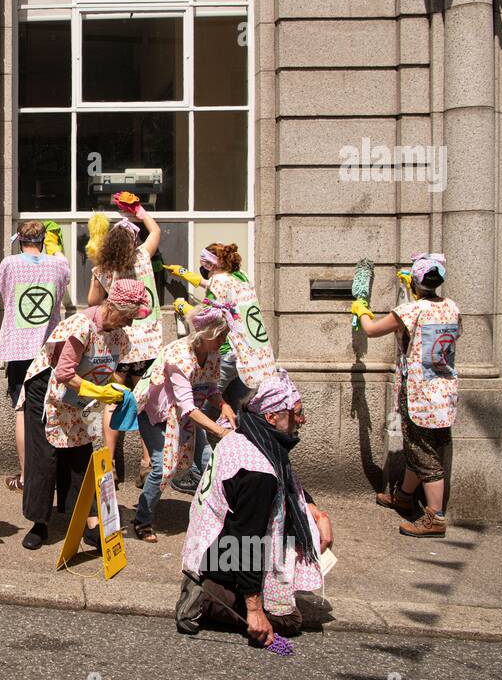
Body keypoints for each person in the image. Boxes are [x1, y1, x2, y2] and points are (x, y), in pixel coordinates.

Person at [175, 370, 334, 645]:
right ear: (272, 417)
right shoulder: (257, 472)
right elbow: (246, 538)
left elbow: (290, 483)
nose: (302, 420)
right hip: (222, 551)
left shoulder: (249, 434)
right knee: (289, 621)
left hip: (215, 540)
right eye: (296, 413)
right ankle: (209, 595)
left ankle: (219, 585)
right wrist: (254, 609)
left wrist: (315, 511)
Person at [19, 279, 152, 550]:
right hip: (48, 390)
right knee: (46, 456)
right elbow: (64, 372)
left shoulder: (119, 334)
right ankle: (39, 524)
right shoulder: (80, 326)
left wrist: (114, 389)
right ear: (113, 306)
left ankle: (90, 524)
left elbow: (110, 369)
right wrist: (97, 391)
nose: (130, 324)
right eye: (128, 316)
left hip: (82, 395)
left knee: (81, 452)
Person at [353, 252, 460, 538]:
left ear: (415, 281)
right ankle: (403, 496)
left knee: (425, 456)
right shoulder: (451, 307)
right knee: (419, 447)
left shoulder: (412, 311)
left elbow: (373, 329)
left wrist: (362, 309)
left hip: (420, 395)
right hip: (444, 393)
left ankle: (434, 517)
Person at [165, 242, 278, 492]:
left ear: (209, 264)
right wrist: (189, 277)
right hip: (248, 358)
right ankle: (242, 465)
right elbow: (228, 295)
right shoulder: (241, 276)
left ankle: (197, 472)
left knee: (198, 414)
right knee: (237, 413)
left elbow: (208, 317)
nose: (202, 270)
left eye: (203, 265)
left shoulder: (218, 281)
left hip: (225, 353)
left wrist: (186, 310)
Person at [132, 301, 239, 542]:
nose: (225, 340)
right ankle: (142, 518)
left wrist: (224, 405)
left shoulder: (213, 354)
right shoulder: (179, 357)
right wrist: (220, 432)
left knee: (209, 462)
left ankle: (215, 515)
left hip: (187, 417)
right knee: (162, 468)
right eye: (222, 335)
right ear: (207, 333)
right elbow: (187, 406)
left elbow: (210, 387)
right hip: (158, 415)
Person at [87, 202, 164, 483]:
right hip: (151, 347)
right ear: (133, 242)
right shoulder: (143, 256)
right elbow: (155, 230)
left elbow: (92, 302)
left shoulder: (103, 270)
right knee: (146, 405)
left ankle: (110, 463)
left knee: (112, 403)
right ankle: (146, 463)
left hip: (121, 346)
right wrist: (139, 212)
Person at [0, 220, 71, 493]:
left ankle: (27, 476)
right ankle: (53, 475)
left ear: (20, 240)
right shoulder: (58, 265)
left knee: (22, 409)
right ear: (44, 240)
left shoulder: (9, 264)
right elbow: (66, 274)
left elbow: (5, 295)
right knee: (53, 409)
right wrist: (56, 247)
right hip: (50, 348)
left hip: (18, 347)